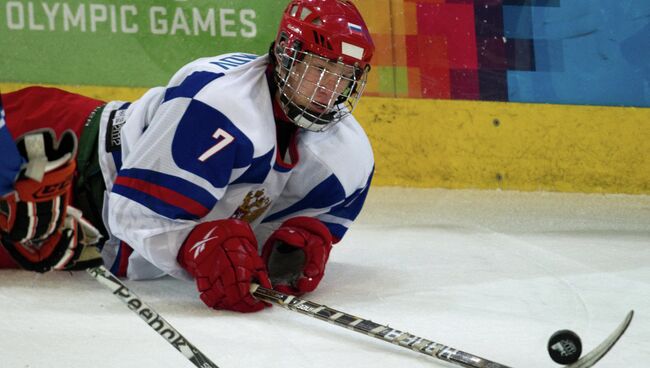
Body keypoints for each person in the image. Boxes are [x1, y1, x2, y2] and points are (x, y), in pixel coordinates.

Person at [0, 0, 375, 313]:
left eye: (343, 77)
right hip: (59, 151)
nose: (328, 89)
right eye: (318, 69)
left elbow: (299, 227)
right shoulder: (220, 104)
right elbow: (134, 211)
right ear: (286, 55)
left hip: (89, 233)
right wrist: (200, 249)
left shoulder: (349, 158)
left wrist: (295, 244)